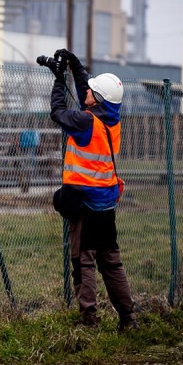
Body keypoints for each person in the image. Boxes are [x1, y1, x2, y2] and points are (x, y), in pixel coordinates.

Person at [47, 48, 138, 331]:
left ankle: (89, 321)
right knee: (111, 262)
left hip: (86, 205)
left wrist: (59, 80)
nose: (86, 91)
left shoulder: (86, 121)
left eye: (91, 91)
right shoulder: (110, 120)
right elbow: (90, 91)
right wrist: (75, 65)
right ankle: (128, 318)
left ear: (97, 98)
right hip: (106, 204)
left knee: (83, 263)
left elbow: (57, 112)